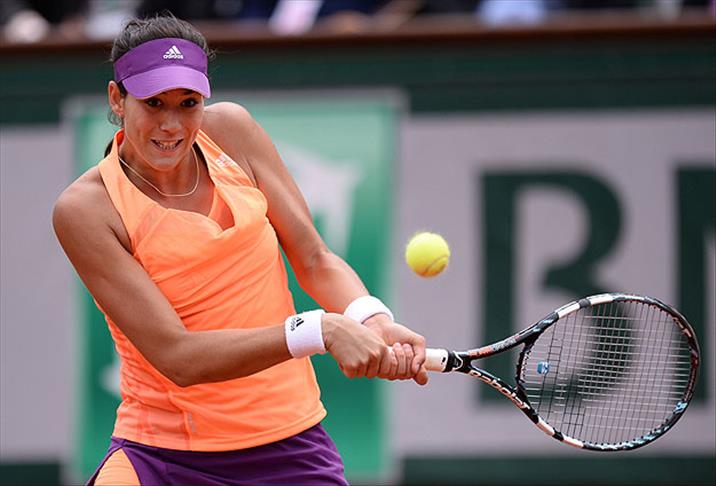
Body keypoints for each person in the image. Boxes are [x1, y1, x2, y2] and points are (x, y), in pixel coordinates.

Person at [52, 14, 427, 486]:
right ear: (116, 98)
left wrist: (369, 318)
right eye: (153, 103)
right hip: (160, 456)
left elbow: (314, 258)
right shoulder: (87, 209)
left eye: (188, 103)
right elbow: (178, 356)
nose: (171, 124)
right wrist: (320, 330)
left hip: (288, 446)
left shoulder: (231, 131)